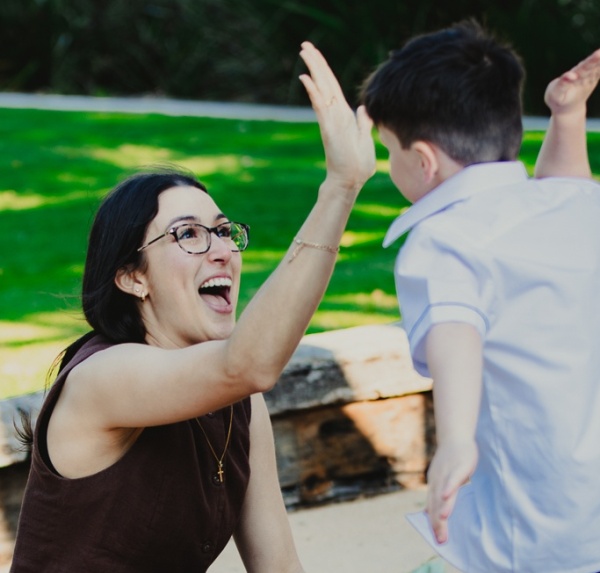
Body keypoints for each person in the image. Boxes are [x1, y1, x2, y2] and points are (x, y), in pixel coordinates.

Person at [9, 42, 375, 573]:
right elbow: (250, 362)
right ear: (133, 277)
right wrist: (339, 189)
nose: (223, 249)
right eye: (189, 235)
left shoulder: (240, 407)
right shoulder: (105, 378)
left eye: (225, 232)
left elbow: (279, 567)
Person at [355, 21, 600, 573]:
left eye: (388, 150)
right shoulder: (575, 211)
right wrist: (567, 116)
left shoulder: (444, 239)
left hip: (530, 527)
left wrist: (456, 440)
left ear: (423, 160)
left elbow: (455, 329)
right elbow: (566, 191)